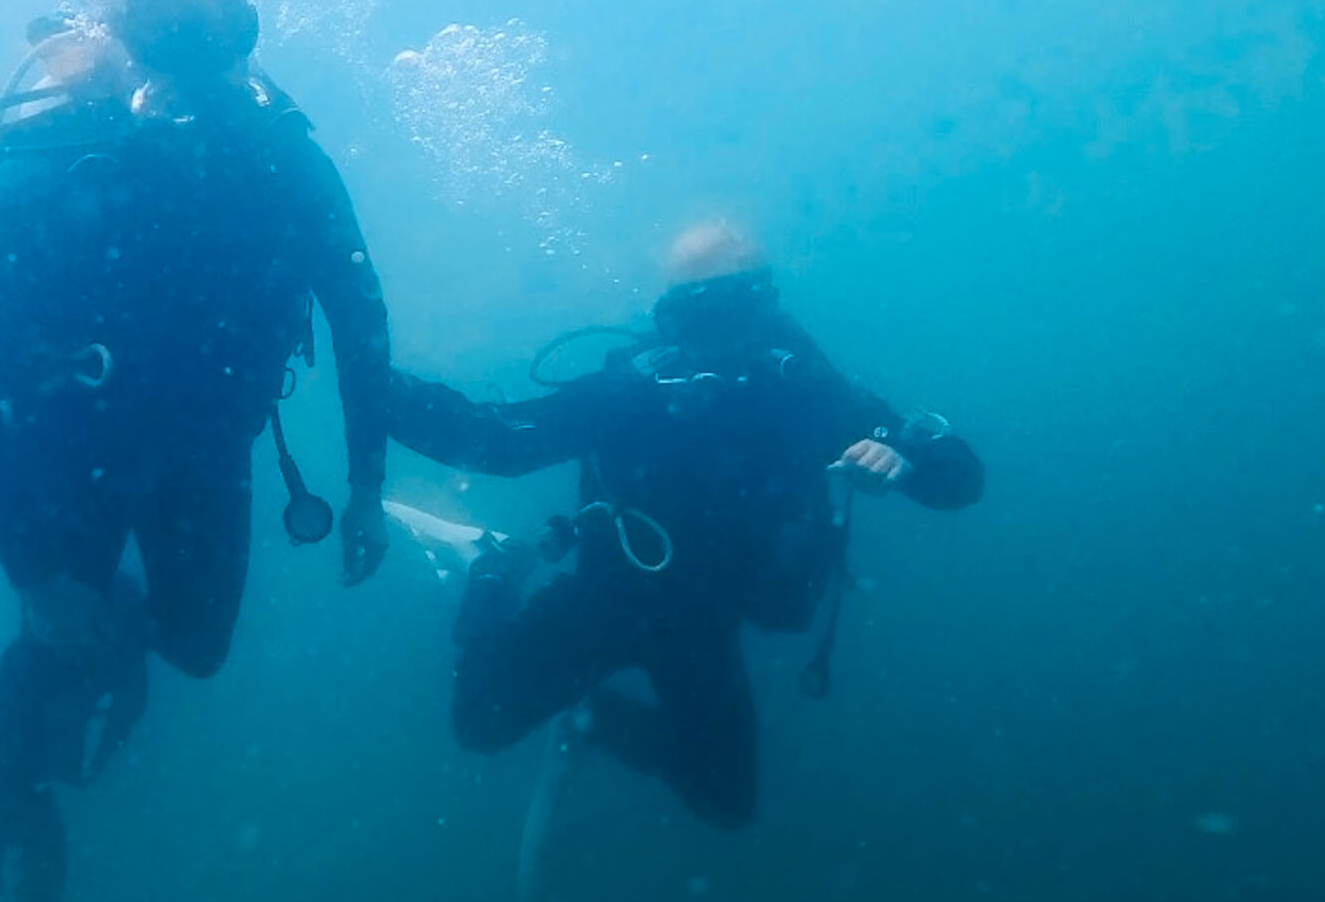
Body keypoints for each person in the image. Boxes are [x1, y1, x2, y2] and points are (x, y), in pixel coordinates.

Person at [0, 0, 391, 902]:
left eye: (214, 21)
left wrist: (366, 486)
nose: (196, 58)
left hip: (202, 452)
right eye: (167, 23)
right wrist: (36, 572)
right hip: (70, 453)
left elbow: (361, 323)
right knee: (57, 633)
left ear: (241, 19)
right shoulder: (48, 162)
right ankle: (11, 780)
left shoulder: (281, 153)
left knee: (197, 647)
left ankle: (91, 648)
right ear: (123, 28)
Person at [387, 221, 982, 831]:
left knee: (726, 803)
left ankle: (591, 719)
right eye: (697, 317)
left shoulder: (809, 391)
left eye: (736, 310)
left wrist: (903, 462)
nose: (718, 341)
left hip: (702, 622)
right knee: (478, 724)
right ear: (669, 321)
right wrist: (375, 384)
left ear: (765, 308)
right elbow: (497, 442)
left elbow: (959, 476)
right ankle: (491, 568)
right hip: (610, 595)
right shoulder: (631, 390)